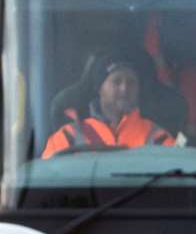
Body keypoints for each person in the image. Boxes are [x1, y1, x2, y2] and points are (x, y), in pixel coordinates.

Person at [41, 53, 177, 158]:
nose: (124, 88)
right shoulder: (68, 137)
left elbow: (176, 183)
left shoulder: (158, 138)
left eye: (131, 82)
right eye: (117, 81)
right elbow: (47, 182)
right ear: (100, 89)